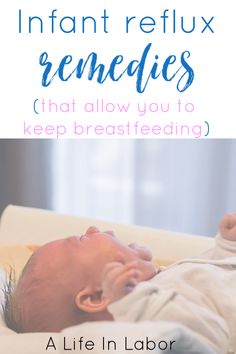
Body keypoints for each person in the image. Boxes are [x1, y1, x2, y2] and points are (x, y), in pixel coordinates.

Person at [2, 214, 236, 353]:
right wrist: (137, 303)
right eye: (82, 239)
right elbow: (210, 338)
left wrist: (225, 248)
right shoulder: (154, 320)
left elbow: (209, 278)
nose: (92, 229)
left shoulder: (161, 283)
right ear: (96, 297)